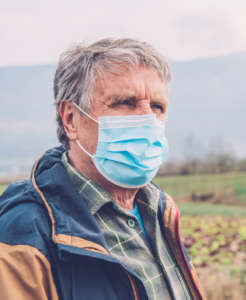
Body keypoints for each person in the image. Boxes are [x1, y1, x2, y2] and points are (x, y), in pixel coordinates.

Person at [0, 38, 204, 300]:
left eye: (157, 107)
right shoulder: (23, 236)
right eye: (125, 103)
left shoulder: (160, 211)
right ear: (71, 119)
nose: (148, 120)